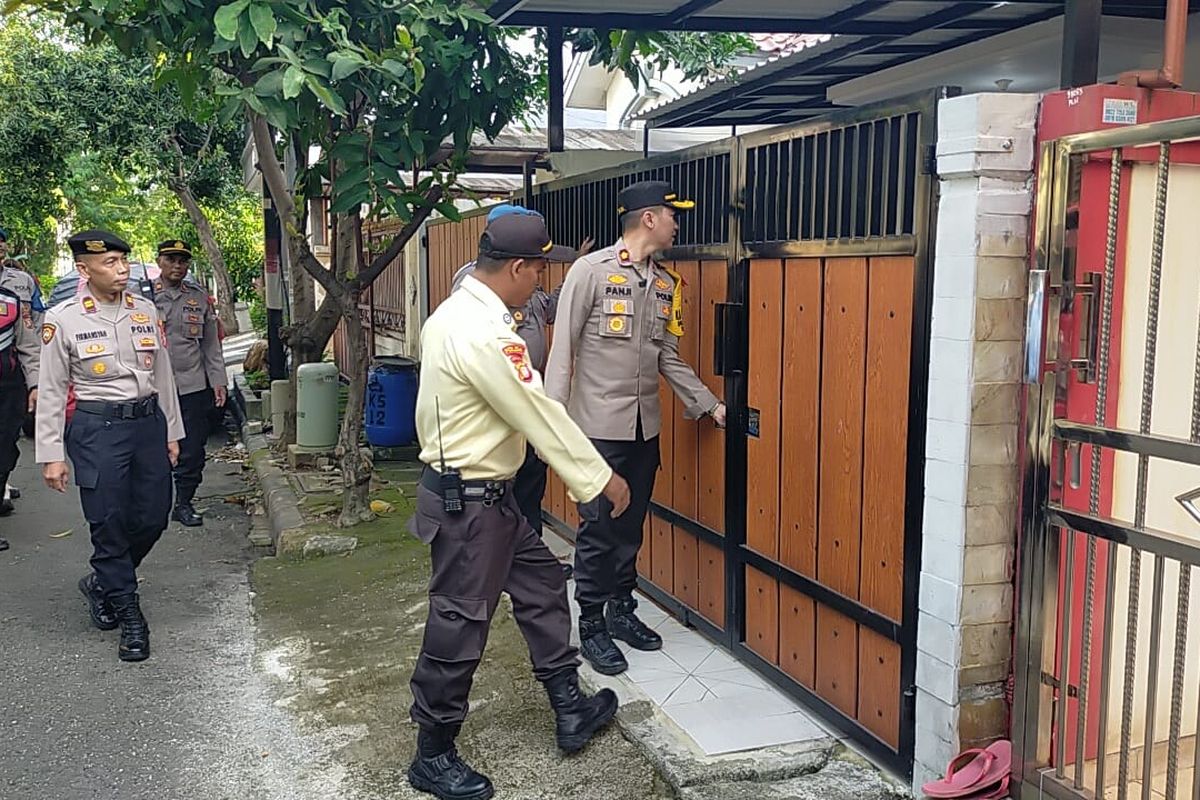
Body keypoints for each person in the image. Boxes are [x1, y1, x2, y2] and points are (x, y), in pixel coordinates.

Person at [407, 212, 631, 800]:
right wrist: (598, 478)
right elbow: (537, 412)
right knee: (458, 627)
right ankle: (432, 754)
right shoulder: (486, 332)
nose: (539, 282)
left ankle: (569, 706)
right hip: (470, 507)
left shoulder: (452, 312)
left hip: (491, 501)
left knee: (540, 586)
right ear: (517, 266)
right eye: (537, 269)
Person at [544, 180, 727, 676]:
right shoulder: (591, 271)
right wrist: (552, 429)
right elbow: (563, 351)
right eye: (673, 214)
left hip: (645, 430)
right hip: (597, 429)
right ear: (649, 218)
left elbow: (667, 357)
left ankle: (622, 612)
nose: (677, 222)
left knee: (630, 527)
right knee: (599, 531)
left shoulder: (667, 284)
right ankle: (591, 624)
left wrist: (709, 405)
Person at [36, 230, 184, 663]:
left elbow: (163, 376)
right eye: (109, 263)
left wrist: (172, 431)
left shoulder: (144, 310)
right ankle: (129, 611)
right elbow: (51, 390)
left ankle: (104, 580)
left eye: (123, 261)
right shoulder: (62, 319)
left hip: (146, 424)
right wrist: (50, 455)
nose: (121, 270)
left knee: (155, 515)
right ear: (84, 270)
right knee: (108, 520)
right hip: (97, 428)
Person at [450, 204, 593, 579]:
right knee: (503, 493)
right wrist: (597, 478)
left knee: (531, 485)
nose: (536, 273)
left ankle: (531, 559)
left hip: (529, 393)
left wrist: (576, 271)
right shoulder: (474, 282)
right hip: (502, 406)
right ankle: (506, 562)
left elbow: (550, 311)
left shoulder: (527, 284)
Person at [152, 240, 227, 526]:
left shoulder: (198, 297)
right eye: (171, 259)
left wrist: (218, 382)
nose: (177, 266)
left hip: (191, 386)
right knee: (155, 449)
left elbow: (211, 345)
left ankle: (183, 502)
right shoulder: (141, 298)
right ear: (160, 261)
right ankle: (154, 503)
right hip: (153, 389)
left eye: (182, 261)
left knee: (193, 450)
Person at [0, 228, 42, 551]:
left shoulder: (15, 295)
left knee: (5, 450)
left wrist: (37, 384)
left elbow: (29, 342)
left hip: (9, 384)